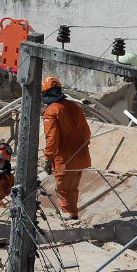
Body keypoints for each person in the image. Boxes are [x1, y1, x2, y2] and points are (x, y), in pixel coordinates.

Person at [41, 76, 91, 220]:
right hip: (81, 157)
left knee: (63, 189)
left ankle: (69, 217)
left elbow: (52, 138)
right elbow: (86, 132)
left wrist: (47, 158)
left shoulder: (51, 111)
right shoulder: (75, 106)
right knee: (73, 189)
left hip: (64, 159)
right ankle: (73, 214)